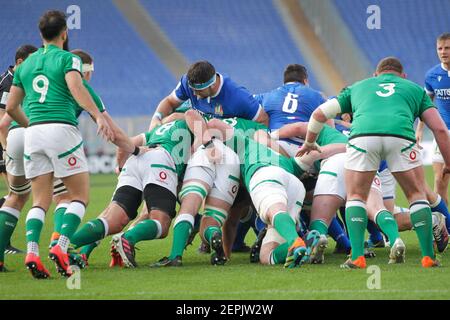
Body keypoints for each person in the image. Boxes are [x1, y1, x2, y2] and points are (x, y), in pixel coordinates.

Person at [298, 57, 450, 268]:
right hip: (401, 137)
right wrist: (449, 161)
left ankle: (357, 257)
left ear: (375, 75)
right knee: (416, 195)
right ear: (403, 76)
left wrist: (309, 142)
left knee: (356, 197)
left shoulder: (358, 86)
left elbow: (318, 114)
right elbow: (440, 129)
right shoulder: (414, 89)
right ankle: (428, 258)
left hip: (363, 138)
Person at [5, 10, 123, 278]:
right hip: (62, 130)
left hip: (33, 132)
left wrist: (31, 125)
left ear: (40, 34)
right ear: (64, 33)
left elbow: (11, 107)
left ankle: (32, 251)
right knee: (79, 195)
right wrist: (97, 116)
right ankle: (61, 246)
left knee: (39, 200)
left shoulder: (25, 65)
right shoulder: (68, 59)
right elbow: (76, 88)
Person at [148, 60, 268, 131]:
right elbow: (169, 102)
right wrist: (156, 118)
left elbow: (263, 120)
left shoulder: (238, 97)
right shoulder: (187, 82)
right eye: (192, 90)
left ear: (212, 85)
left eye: (199, 91)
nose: (195, 94)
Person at [0, 44, 37, 271]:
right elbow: (2, 120)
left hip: (9, 138)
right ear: (21, 62)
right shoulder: (9, 82)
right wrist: (5, 151)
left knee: (15, 195)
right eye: (31, 62)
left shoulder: (13, 79)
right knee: (16, 195)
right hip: (6, 140)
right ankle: (5, 244)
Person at [417, 32, 450, 223]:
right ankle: (443, 226)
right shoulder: (432, 75)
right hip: (443, 133)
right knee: (439, 180)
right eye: (440, 48)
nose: (443, 52)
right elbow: (426, 104)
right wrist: (419, 130)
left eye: (447, 48)